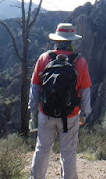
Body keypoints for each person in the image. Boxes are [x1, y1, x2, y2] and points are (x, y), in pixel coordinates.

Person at [29, 23, 92, 179]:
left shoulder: (44, 58)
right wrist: (85, 113)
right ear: (71, 42)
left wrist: (34, 112)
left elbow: (35, 87)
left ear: (56, 40)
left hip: (46, 113)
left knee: (42, 149)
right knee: (68, 152)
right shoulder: (80, 61)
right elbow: (85, 91)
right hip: (70, 116)